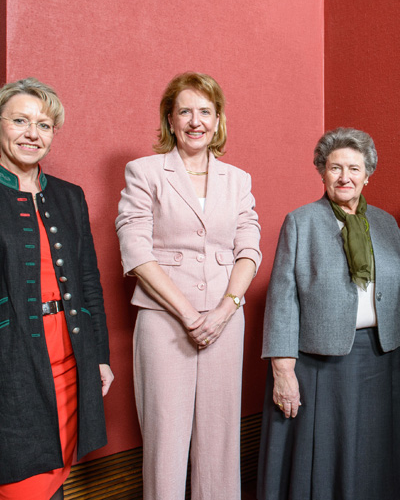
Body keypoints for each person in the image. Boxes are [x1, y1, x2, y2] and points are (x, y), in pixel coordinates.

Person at [0, 78, 113, 500]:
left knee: (55, 486)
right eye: (21, 121)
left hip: (70, 370)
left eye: (44, 125)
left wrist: (98, 357)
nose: (33, 133)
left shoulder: (70, 197)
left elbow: (88, 286)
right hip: (6, 377)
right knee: (22, 489)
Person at [115, 72, 261, 500]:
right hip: (165, 323)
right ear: (170, 120)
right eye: (185, 112)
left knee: (221, 440)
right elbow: (136, 251)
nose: (195, 121)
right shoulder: (144, 172)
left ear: (217, 121)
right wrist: (190, 315)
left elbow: (249, 249)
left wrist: (223, 311)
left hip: (225, 322)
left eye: (205, 111)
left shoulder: (238, 180)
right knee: (166, 440)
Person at [257, 127, 400, 500]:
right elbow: (282, 299)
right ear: (322, 172)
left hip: (384, 358)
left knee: (377, 450)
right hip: (319, 362)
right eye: (335, 168)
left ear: (368, 174)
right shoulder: (300, 221)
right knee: (325, 452)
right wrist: (283, 370)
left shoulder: (386, 224)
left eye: (354, 168)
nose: (344, 177)